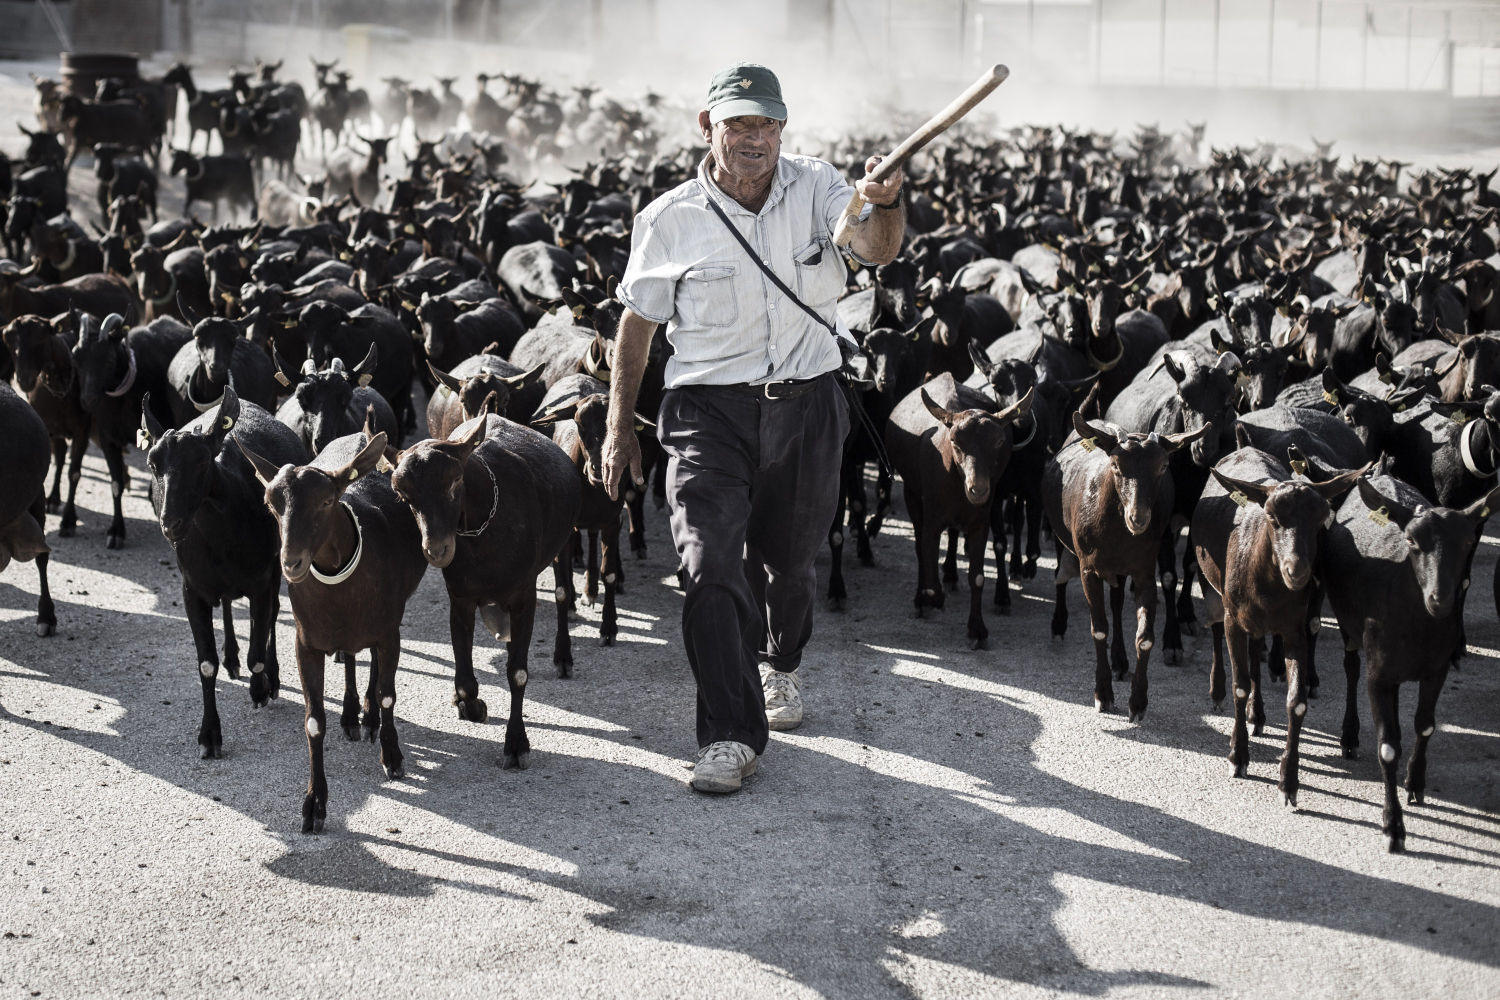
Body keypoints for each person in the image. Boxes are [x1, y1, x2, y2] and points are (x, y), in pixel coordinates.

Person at [599, 62, 905, 794]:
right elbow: (636, 328)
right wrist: (619, 426)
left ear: (782, 128)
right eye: (739, 124)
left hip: (807, 405)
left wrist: (885, 202)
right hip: (708, 411)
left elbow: (875, 248)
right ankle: (730, 735)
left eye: (767, 124)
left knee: (791, 566)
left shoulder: (822, 187)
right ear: (707, 127)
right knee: (707, 566)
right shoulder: (668, 217)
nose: (755, 138)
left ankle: (782, 663)